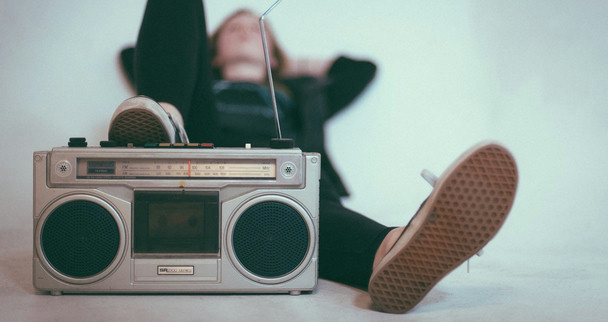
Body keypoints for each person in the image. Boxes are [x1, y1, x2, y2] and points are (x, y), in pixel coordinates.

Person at [110, 0, 518, 314]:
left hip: (288, 183)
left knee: (309, 202)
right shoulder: (202, 87)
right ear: (212, 52)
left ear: (274, 55)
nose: (245, 33)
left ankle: (395, 248)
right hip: (202, 154)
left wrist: (288, 63)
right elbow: (136, 54)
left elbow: (361, 70)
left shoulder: (303, 93)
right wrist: (192, 71)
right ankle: (167, 119)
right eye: (233, 30)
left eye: (257, 31)